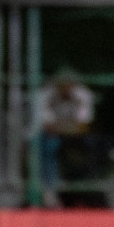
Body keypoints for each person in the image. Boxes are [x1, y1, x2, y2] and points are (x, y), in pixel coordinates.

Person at [37, 67, 96, 208]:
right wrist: (69, 127)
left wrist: (65, 127)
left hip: (75, 136)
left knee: (92, 146)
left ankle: (88, 189)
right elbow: (48, 127)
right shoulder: (46, 95)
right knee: (49, 146)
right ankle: (51, 189)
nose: (66, 89)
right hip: (54, 135)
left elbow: (84, 127)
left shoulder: (83, 95)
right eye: (62, 85)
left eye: (69, 85)